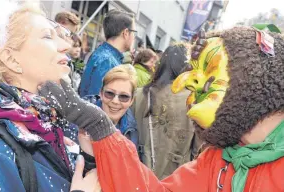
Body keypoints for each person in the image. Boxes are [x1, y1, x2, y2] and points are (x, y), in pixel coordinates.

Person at [39, 26, 284, 192]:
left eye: (208, 68)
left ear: (255, 79)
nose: (187, 82)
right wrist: (100, 127)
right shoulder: (218, 158)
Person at [0, 2, 98, 191]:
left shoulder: (47, 123)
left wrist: (89, 157)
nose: (66, 46)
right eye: (47, 36)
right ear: (10, 59)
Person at [132, 44, 201, 179]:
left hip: (137, 172)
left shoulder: (140, 94)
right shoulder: (194, 101)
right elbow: (197, 151)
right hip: (175, 178)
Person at [79, 9, 136, 97]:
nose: (134, 38)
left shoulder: (107, 56)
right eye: (134, 33)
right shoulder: (107, 60)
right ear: (126, 33)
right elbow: (96, 100)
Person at [83, 64, 138, 146]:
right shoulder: (81, 119)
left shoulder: (132, 128)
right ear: (100, 93)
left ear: (131, 100)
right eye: (109, 93)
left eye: (124, 96)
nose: (115, 101)